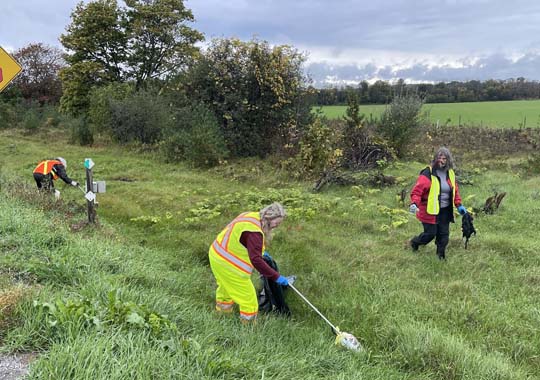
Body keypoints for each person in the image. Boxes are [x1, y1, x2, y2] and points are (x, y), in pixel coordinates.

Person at [208, 202, 289, 323]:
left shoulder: (251, 216)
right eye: (276, 223)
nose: (276, 226)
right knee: (249, 299)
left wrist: (260, 252)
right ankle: (248, 326)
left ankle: (223, 314)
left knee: (226, 287)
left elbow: (242, 240)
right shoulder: (254, 233)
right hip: (228, 264)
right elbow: (256, 261)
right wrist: (276, 276)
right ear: (268, 218)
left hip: (216, 254)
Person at [409, 147, 467, 260]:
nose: (441, 160)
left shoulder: (450, 173)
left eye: (444, 158)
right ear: (435, 159)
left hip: (445, 211)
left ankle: (440, 256)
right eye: (439, 158)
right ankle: (415, 242)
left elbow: (455, 191)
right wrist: (414, 204)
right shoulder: (427, 173)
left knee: (444, 235)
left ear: (448, 160)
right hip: (429, 211)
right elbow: (417, 191)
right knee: (430, 234)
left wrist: (459, 205)